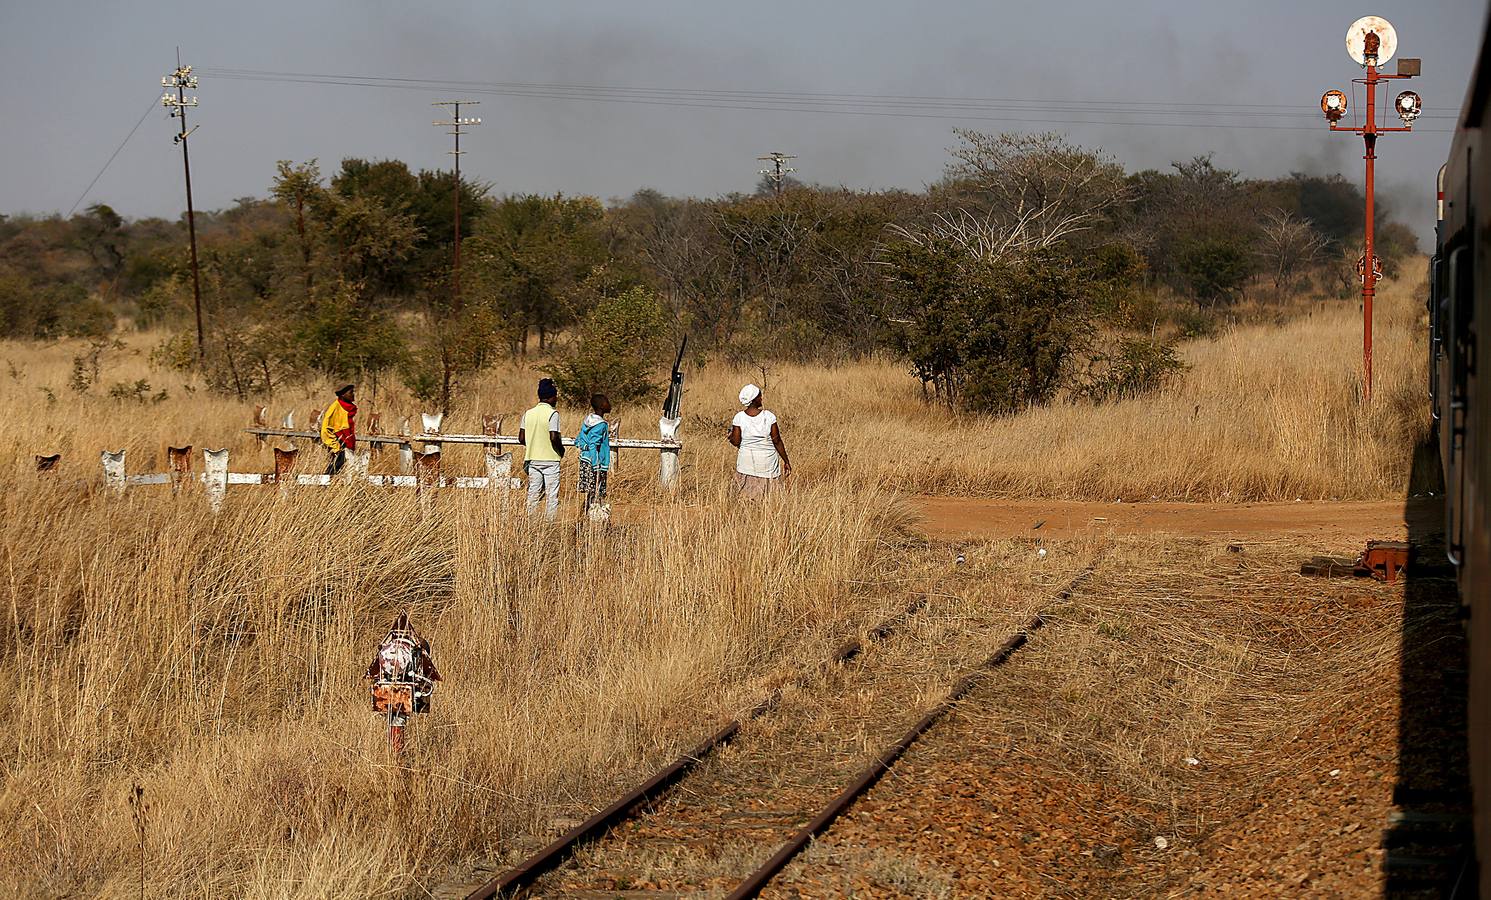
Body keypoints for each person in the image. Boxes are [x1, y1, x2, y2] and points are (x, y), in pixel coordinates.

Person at [729, 383, 791, 497]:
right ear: (754, 399)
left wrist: (730, 437)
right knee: (768, 498)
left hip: (745, 465)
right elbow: (777, 441)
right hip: (767, 465)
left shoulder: (739, 417)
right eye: (759, 396)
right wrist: (786, 460)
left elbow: (736, 442)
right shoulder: (769, 416)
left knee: (746, 498)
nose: (761, 398)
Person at [518, 378, 565, 519]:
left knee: (533, 492)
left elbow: (521, 438)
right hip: (550, 459)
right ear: (551, 397)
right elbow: (553, 437)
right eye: (555, 395)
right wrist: (561, 450)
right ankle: (550, 524)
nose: (556, 398)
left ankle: (531, 522)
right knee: (552, 495)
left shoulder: (528, 413)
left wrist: (533, 444)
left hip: (533, 459)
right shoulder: (553, 414)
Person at [574, 393, 612, 514]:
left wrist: (584, 448)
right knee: (596, 493)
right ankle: (593, 521)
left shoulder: (587, 421)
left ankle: (583, 518)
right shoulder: (600, 425)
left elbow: (578, 440)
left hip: (586, 460)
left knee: (591, 493)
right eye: (607, 402)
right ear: (601, 406)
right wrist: (596, 467)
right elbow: (593, 445)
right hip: (596, 464)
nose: (609, 404)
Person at [319, 384, 357, 476]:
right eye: (351, 392)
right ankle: (323, 486)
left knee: (346, 472)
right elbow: (325, 430)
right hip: (339, 444)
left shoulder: (347, 407)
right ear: (343, 394)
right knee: (333, 470)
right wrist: (336, 447)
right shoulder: (335, 408)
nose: (353, 394)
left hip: (347, 443)